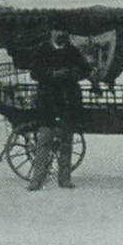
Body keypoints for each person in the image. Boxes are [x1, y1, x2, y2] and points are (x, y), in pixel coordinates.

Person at [26, 26, 90, 191]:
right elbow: (35, 73)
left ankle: (65, 179)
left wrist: (70, 73)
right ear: (51, 33)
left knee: (66, 142)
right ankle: (37, 180)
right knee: (43, 142)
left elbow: (85, 70)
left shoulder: (73, 52)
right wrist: (52, 74)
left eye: (63, 32)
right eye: (57, 31)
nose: (60, 34)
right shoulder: (42, 51)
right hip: (47, 102)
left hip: (68, 102)